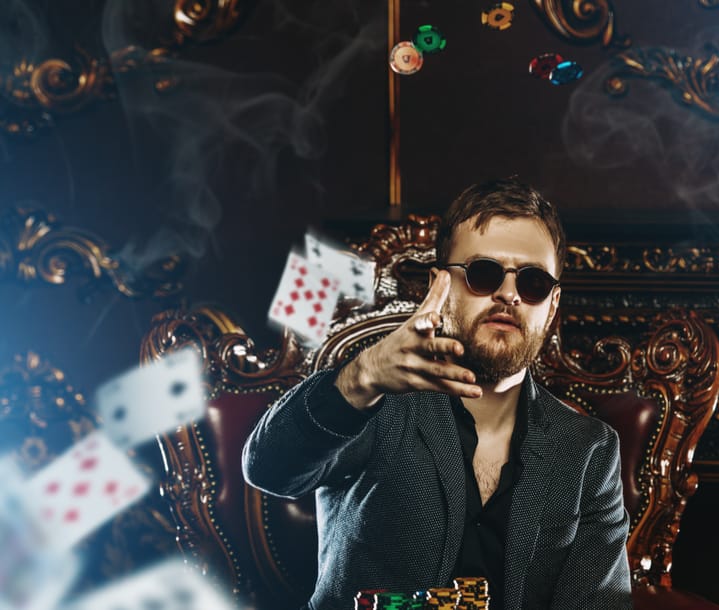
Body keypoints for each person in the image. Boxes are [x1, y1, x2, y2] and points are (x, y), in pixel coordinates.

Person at [242, 178, 633, 610]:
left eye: (533, 282)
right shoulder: (373, 403)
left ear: (552, 304)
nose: (508, 294)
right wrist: (361, 377)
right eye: (484, 273)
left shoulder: (589, 452)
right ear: (439, 286)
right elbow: (269, 469)